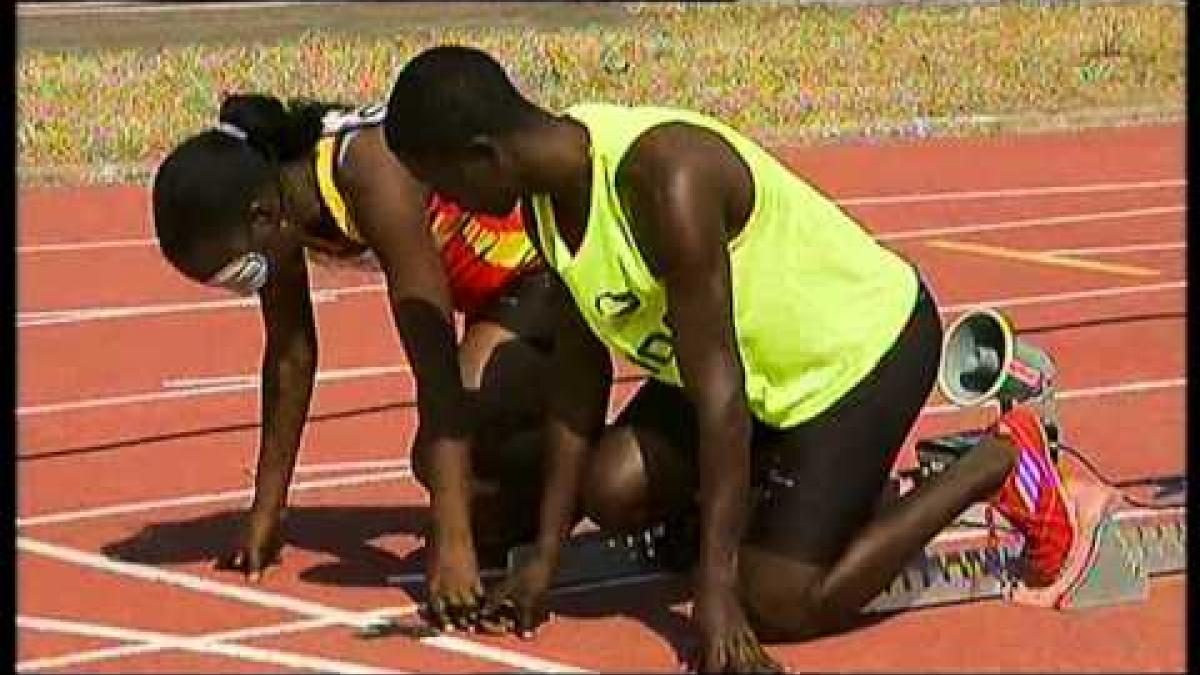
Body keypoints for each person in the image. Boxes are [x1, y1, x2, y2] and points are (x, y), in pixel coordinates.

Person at [380, 45, 1096, 673]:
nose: (446, 205)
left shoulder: (665, 179)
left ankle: (996, 462)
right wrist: (546, 551)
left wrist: (718, 592)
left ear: (485, 156)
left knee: (781, 601)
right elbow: (578, 377)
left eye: (444, 184)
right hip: (751, 382)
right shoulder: (540, 199)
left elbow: (720, 390)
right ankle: (819, 503)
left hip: (855, 359)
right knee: (613, 488)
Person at [151, 92, 559, 630]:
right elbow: (291, 354)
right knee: (453, 467)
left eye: (239, 276)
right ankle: (540, 495)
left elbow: (434, 369)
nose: (247, 287)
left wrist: (451, 537)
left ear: (261, 216)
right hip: (486, 294)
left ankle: (575, 479)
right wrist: (268, 508)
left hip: (543, 274)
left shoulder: (370, 174)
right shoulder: (281, 205)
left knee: (447, 460)